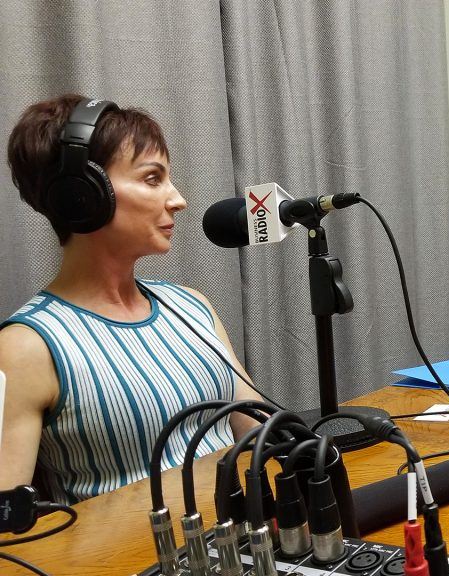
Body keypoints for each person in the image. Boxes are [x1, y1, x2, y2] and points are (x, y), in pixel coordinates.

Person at [0, 94, 263, 504]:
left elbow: (260, 436)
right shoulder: (26, 347)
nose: (178, 200)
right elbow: (9, 536)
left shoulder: (191, 306)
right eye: (152, 179)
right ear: (82, 194)